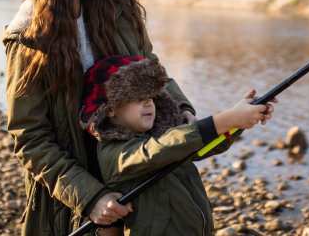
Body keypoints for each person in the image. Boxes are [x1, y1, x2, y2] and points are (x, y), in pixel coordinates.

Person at [2, 0, 276, 235]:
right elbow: (30, 138)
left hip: (138, 166)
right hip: (74, 193)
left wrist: (182, 109)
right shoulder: (28, 38)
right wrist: (89, 197)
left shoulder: (119, 10)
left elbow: (153, 72)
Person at [80, 55, 274, 235]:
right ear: (111, 109)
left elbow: (202, 147)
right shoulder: (114, 152)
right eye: (138, 99)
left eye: (151, 97)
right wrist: (225, 119)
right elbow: (160, 150)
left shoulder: (160, 133)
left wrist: (236, 123)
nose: (148, 104)